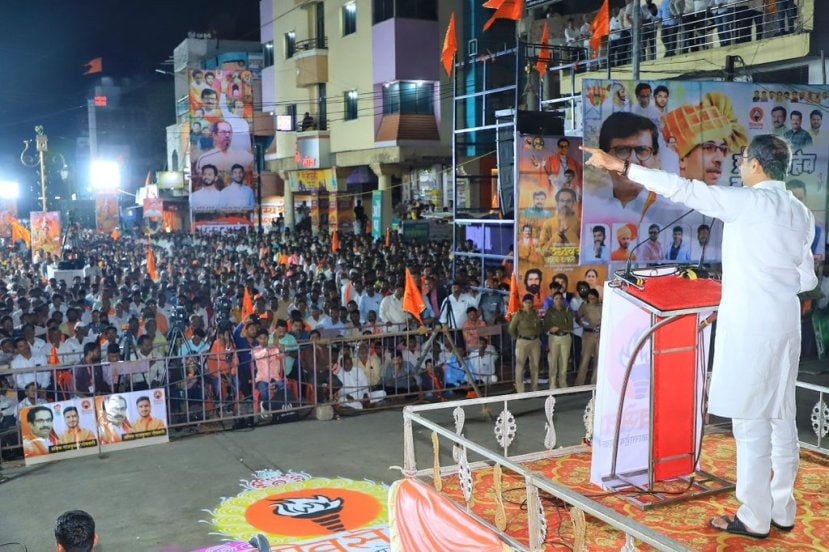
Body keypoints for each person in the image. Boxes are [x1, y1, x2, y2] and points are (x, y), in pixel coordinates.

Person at [583, 134, 817, 539]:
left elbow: (683, 189)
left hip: (753, 326)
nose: (738, 167)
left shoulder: (748, 202)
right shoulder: (800, 212)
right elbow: (807, 277)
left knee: (752, 423)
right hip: (786, 324)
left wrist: (622, 167)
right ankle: (783, 508)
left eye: (742, 160)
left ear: (757, 166)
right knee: (781, 418)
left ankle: (755, 517)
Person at [508, 294, 543, 393]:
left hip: (535, 341)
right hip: (522, 341)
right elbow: (511, 329)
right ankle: (520, 390)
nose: (528, 304)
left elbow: (540, 327)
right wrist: (517, 338)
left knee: (535, 365)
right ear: (523, 303)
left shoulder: (535, 314)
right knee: (520, 365)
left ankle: (535, 387)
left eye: (530, 302)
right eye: (526, 302)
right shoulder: (519, 315)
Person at [543, 292, 573, 389]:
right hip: (554, 338)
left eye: (560, 298)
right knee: (553, 362)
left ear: (563, 300)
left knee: (564, 362)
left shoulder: (567, 310)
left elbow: (570, 327)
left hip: (565, 338)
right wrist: (559, 327)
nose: (559, 300)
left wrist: (558, 327)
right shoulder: (550, 312)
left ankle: (563, 383)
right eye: (556, 298)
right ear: (553, 300)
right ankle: (552, 384)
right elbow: (548, 326)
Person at [575, 289, 602, 386]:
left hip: (599, 335)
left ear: (597, 298)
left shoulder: (602, 306)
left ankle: (594, 383)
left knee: (598, 360)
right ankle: (579, 384)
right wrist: (583, 323)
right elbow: (577, 318)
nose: (591, 300)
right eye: (589, 298)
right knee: (585, 359)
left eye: (593, 298)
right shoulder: (584, 306)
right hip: (588, 335)